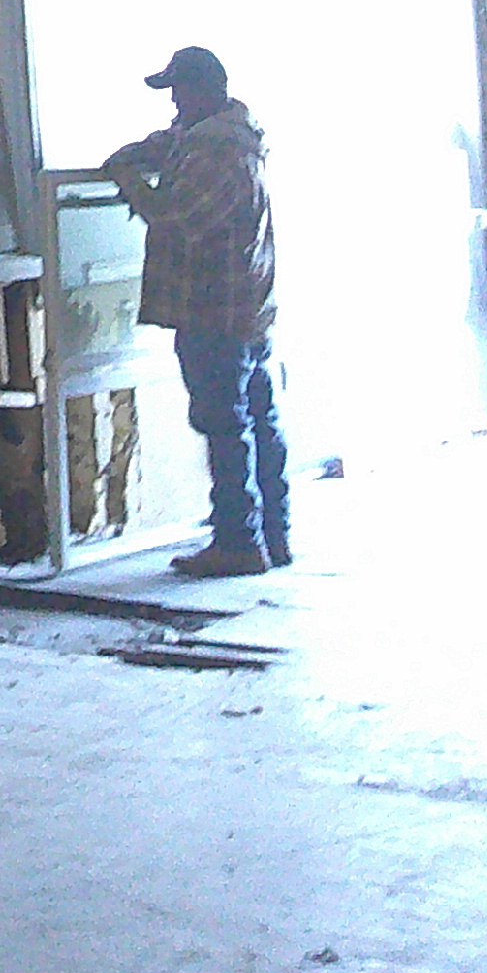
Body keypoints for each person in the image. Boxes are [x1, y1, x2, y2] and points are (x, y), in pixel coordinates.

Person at [101, 45, 287, 580]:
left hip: (215, 309)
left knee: (225, 426)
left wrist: (129, 180)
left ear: (206, 92)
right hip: (245, 307)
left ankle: (238, 543)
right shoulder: (222, 137)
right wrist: (149, 150)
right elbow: (166, 144)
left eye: (179, 91)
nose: (174, 103)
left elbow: (174, 216)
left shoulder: (216, 151)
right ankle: (272, 534)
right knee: (256, 419)